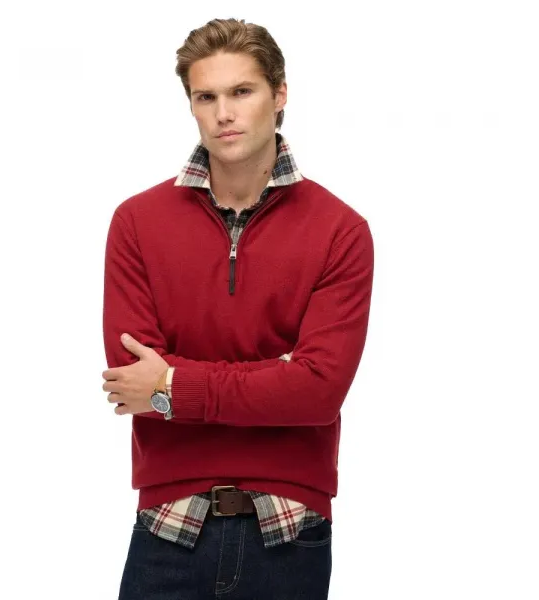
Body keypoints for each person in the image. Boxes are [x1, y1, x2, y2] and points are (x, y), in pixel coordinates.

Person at [102, 17, 374, 600]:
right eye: (206, 97)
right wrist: (274, 377)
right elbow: (131, 383)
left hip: (288, 529)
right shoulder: (137, 222)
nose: (224, 113)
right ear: (191, 106)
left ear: (280, 95)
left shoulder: (340, 231)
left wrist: (172, 384)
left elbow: (318, 391)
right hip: (168, 525)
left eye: (242, 91)